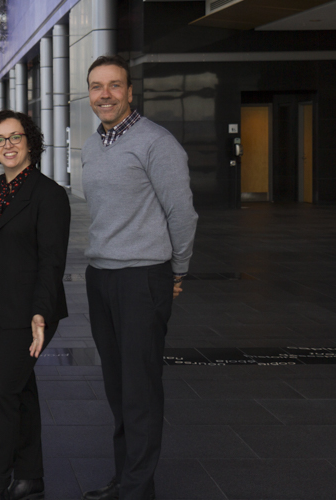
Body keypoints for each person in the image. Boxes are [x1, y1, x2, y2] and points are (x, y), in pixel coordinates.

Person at [80, 56, 198, 500]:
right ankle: (127, 478)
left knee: (140, 391)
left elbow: (182, 213)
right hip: (102, 276)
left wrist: (177, 268)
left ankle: (136, 490)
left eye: (114, 86)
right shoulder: (94, 146)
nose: (104, 94)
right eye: (96, 86)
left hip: (143, 278)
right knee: (117, 387)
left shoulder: (156, 142)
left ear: (130, 92)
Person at [0, 111, 71, 500]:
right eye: (0, 139)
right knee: (21, 390)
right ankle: (30, 477)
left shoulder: (49, 195)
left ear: (31, 142)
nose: (8, 145)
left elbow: (51, 262)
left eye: (16, 137)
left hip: (30, 313)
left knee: (3, 391)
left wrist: (40, 313)